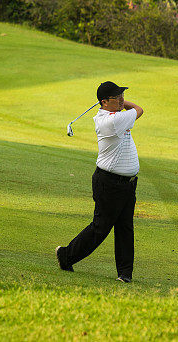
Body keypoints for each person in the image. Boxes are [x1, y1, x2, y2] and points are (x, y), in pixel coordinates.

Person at [56, 81, 143, 283]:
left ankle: (125, 274)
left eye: (122, 95)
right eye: (117, 97)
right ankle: (65, 256)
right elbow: (139, 109)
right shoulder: (112, 122)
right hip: (109, 183)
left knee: (125, 227)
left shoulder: (114, 115)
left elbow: (128, 109)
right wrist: (124, 104)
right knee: (100, 228)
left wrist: (118, 102)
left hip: (127, 183)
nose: (121, 99)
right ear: (104, 102)